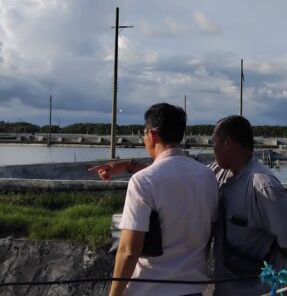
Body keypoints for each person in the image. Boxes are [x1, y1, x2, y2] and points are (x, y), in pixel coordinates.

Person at [89, 103, 218, 296]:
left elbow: (128, 251)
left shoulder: (142, 182)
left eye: (143, 133)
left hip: (148, 290)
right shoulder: (207, 177)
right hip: (193, 289)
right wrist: (129, 166)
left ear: (152, 134)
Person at [210, 115, 287, 296]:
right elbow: (185, 174)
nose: (211, 148)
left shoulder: (262, 185)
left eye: (213, 141)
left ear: (228, 142)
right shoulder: (219, 171)